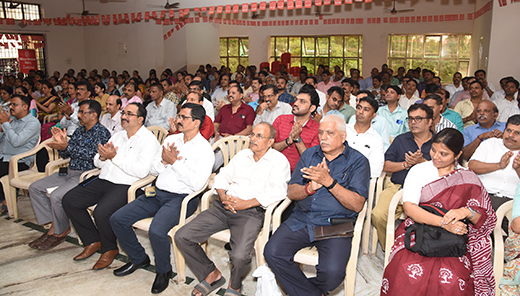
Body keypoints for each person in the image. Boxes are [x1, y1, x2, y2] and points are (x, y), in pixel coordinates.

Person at [175, 123, 290, 296]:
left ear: (270, 141)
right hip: (224, 206)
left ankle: (235, 284)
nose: (252, 139)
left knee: (239, 255)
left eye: (259, 136)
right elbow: (222, 176)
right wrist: (222, 195)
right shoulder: (243, 155)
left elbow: (278, 191)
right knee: (182, 236)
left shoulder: (279, 161)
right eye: (252, 134)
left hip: (251, 212)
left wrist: (247, 203)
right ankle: (211, 273)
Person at [110, 103, 214, 294]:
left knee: (157, 230)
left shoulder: (204, 149)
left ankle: (163, 271)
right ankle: (138, 258)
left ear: (196, 122)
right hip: (157, 194)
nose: (178, 120)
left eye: (184, 117)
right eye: (179, 116)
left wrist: (175, 163)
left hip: (182, 199)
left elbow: (197, 184)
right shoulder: (172, 139)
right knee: (117, 219)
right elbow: (153, 168)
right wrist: (165, 162)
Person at [381, 128, 496, 296]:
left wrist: (466, 212)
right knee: (405, 271)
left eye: (444, 154)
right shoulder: (419, 170)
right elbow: (410, 208)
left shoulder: (468, 177)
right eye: (433, 150)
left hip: (456, 237)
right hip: (420, 228)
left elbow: (484, 219)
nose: (435, 156)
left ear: (457, 155)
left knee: (452, 280)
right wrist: (444, 223)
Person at [265, 114, 370, 296]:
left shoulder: (358, 162)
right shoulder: (309, 154)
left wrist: (329, 182)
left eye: (330, 133)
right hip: (303, 219)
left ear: (343, 136)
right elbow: (291, 192)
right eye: (321, 132)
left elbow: (357, 204)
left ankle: (302, 291)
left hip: (336, 224)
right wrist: (310, 188)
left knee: (332, 274)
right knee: (272, 252)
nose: (323, 137)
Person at [62, 103, 161, 270]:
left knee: (102, 212)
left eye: (129, 114)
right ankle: (92, 240)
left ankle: (109, 248)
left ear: (140, 119)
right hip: (104, 179)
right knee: (69, 200)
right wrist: (102, 158)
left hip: (127, 185)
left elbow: (141, 171)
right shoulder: (118, 136)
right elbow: (97, 161)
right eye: (124, 113)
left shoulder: (148, 140)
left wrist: (113, 157)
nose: (124, 116)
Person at [28, 100, 111, 250]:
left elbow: (95, 156)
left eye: (82, 112)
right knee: (35, 188)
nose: (78, 115)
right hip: (69, 170)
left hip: (85, 174)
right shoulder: (79, 130)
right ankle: (55, 224)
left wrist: (69, 146)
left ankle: (59, 231)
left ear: (94, 115)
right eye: (78, 112)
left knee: (56, 196)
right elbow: (67, 154)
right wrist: (61, 144)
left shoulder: (102, 133)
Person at [372, 104, 434, 250]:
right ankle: (391, 248)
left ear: (430, 121)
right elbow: (385, 165)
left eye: (419, 118)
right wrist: (406, 164)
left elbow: (449, 169)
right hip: (398, 187)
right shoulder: (401, 140)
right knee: (378, 214)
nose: (413, 122)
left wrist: (422, 162)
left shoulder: (438, 143)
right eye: (410, 119)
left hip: (429, 190)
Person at [468, 114, 520, 212]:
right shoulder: (491, 144)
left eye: (517, 133)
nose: (510, 135)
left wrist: (517, 169)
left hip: (513, 204)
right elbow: (472, 166)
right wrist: (498, 166)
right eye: (508, 130)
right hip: (483, 198)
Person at [0, 95, 40, 214]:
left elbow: (16, 142)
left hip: (19, 160)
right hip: (4, 156)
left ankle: (6, 201)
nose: (11, 107)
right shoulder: (12, 120)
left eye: (14, 105)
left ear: (25, 107)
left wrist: (6, 124)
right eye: (10, 105)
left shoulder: (32, 123)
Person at [273, 84, 320, 172]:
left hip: (300, 176)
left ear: (312, 108)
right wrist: (287, 141)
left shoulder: (317, 129)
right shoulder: (281, 120)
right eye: (296, 100)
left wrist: (297, 139)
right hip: (275, 171)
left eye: (302, 101)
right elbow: (269, 148)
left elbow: (310, 161)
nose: (295, 103)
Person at [347, 95, 384, 178]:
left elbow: (376, 170)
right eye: (359, 108)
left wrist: (350, 170)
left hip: (357, 181)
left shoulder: (376, 140)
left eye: (366, 110)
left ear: (373, 115)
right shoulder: (343, 130)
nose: (361, 112)